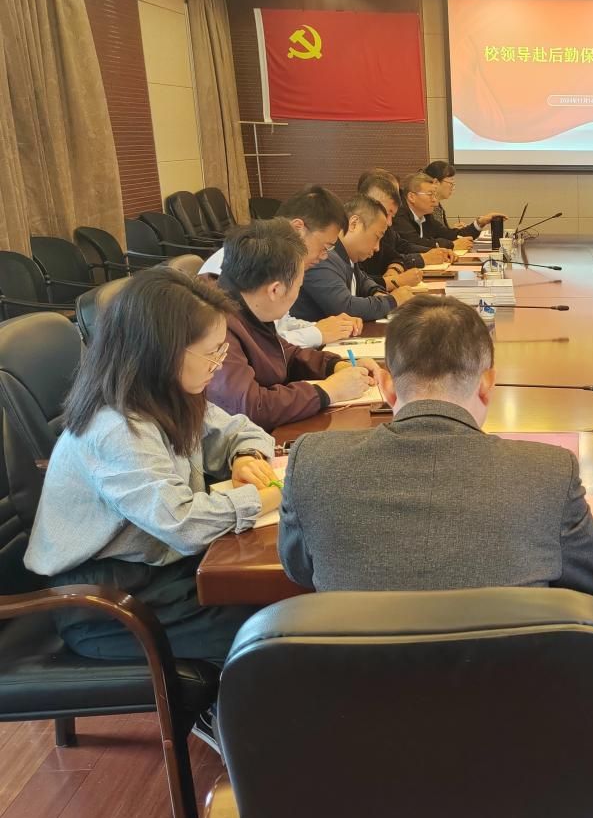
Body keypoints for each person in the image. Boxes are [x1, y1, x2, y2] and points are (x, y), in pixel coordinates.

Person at [278, 294, 593, 594]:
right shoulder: (548, 473)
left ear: (385, 386)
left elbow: (300, 571)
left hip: (360, 655)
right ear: (487, 384)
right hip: (504, 656)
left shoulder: (313, 464)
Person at [24, 269, 277, 662]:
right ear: (163, 351)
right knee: (270, 628)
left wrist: (247, 456)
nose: (218, 363)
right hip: (104, 602)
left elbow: (237, 429)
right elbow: (183, 523)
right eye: (211, 352)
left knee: (275, 604)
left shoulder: (167, 391)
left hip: (157, 567)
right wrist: (265, 498)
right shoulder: (116, 427)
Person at [207, 220, 381, 432]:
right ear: (275, 290)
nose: (298, 294)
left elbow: (284, 354)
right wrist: (327, 391)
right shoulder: (215, 325)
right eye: (299, 286)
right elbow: (250, 407)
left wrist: (335, 366)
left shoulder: (245, 302)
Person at [200, 185, 361, 349]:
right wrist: (318, 333)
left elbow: (280, 325)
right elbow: (258, 344)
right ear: (298, 229)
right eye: (325, 247)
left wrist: (323, 327)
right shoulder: (244, 260)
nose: (324, 256)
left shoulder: (276, 257)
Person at [291, 194, 413, 323]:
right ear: (354, 224)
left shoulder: (346, 255)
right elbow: (345, 308)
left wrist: (376, 291)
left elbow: (362, 280)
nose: (377, 247)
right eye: (377, 237)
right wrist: (392, 301)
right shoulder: (323, 256)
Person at [357, 172, 451, 287]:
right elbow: (358, 283)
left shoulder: (386, 229)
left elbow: (398, 253)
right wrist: (396, 281)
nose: (389, 222)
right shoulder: (350, 242)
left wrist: (395, 267)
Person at [423, 159, 505, 238]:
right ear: (436, 182)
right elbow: (435, 239)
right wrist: (450, 233)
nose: (453, 187)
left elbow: (441, 235)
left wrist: (480, 222)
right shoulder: (426, 209)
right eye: (451, 183)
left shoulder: (438, 207)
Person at [393, 173, 457, 252]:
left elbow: (446, 234)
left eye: (434, 195)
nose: (435, 201)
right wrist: (451, 245)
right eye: (430, 194)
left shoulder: (426, 216)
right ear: (411, 197)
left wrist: (473, 227)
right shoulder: (398, 215)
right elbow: (412, 243)